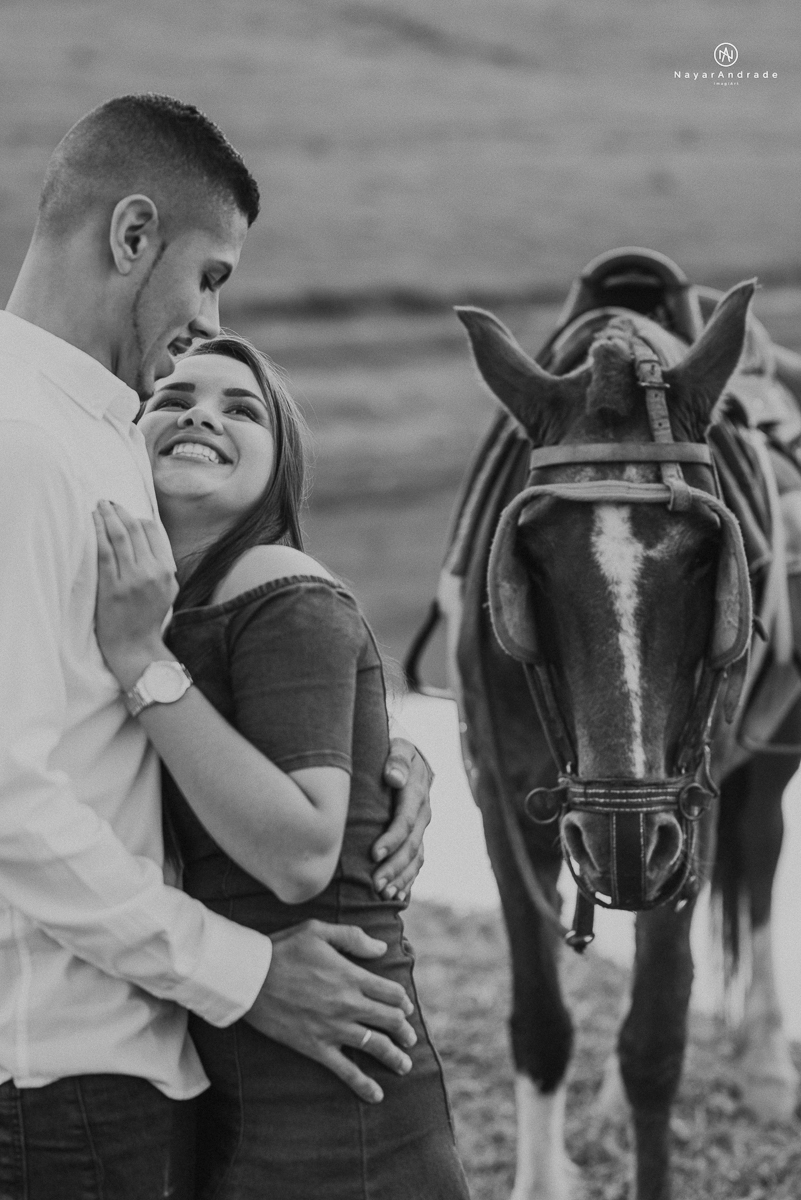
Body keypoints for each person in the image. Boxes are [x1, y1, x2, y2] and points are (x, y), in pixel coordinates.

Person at [0, 94, 432, 1198]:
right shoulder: (21, 443)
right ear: (132, 236)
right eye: (211, 275)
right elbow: (11, 794)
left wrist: (377, 758)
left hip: (149, 1056)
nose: (206, 316)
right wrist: (243, 974)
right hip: (62, 1068)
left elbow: (211, 649)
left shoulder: (98, 436)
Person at [92, 331, 471, 1200]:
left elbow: (301, 854)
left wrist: (140, 663)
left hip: (337, 1097)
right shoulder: (164, 606)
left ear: (277, 468)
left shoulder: (274, 581)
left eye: (242, 408)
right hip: (233, 1069)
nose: (201, 415)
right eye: (175, 398)